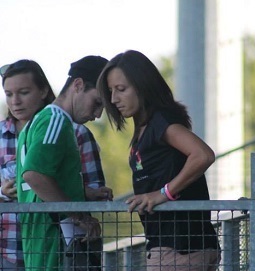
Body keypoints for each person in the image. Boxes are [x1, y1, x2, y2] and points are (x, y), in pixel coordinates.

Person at [97, 50, 220, 270]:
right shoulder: (147, 126)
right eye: (111, 91)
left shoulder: (161, 122)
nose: (114, 99)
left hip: (179, 249)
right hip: (179, 248)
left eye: (121, 89)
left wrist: (164, 193)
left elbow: (203, 155)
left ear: (143, 86)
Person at [0, 59, 113, 271]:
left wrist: (84, 192)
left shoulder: (33, 124)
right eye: (97, 102)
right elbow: (34, 175)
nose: (98, 114)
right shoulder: (55, 119)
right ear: (78, 85)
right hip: (54, 243)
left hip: (39, 244)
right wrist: (79, 217)